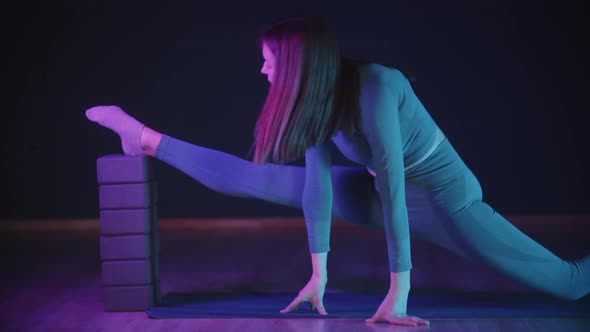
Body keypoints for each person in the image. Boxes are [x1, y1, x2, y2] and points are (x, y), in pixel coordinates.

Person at [85, 16, 589, 326]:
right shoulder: (316, 100)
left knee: (568, 285)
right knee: (265, 178)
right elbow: (318, 189)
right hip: (380, 193)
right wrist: (319, 275)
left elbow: (394, 188)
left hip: (444, 200)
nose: (262, 71)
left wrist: (399, 292)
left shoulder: (376, 86)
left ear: (296, 63)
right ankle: (146, 139)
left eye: (267, 61)